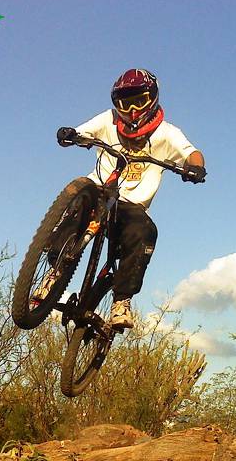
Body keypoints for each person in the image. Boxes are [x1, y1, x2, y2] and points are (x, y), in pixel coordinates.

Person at [57, 68, 206, 329]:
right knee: (79, 201)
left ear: (153, 98)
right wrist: (70, 134)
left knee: (144, 230)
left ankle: (122, 300)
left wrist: (195, 167)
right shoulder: (108, 120)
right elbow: (82, 132)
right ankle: (55, 271)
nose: (133, 109)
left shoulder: (167, 133)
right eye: (126, 103)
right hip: (99, 190)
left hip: (130, 207)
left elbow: (191, 153)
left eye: (140, 100)